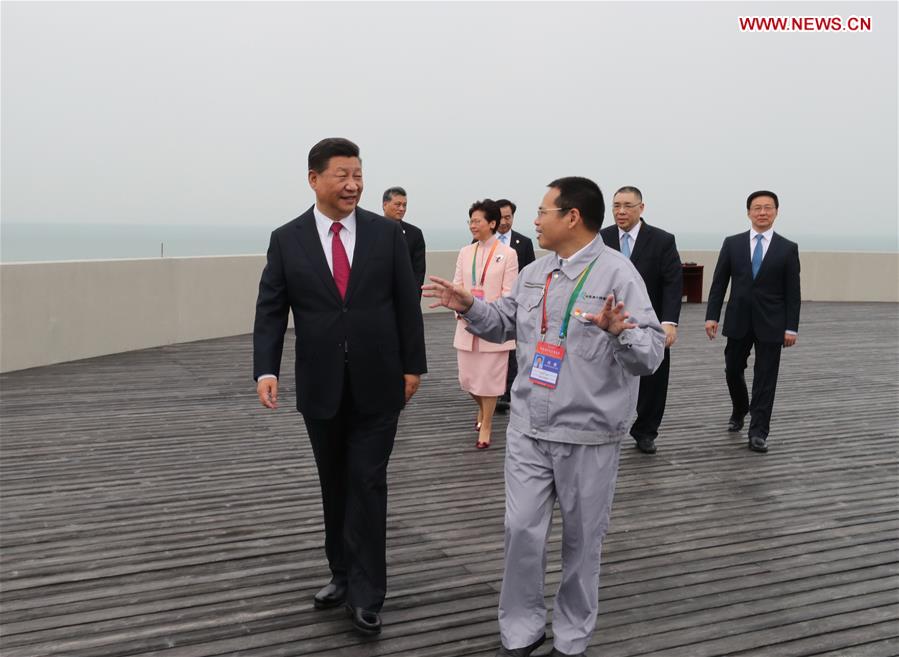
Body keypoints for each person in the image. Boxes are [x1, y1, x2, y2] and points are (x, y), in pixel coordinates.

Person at [424, 177, 664, 657]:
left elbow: (651, 353)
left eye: (542, 211)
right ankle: (521, 629)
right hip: (529, 429)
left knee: (581, 543)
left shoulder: (618, 274)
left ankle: (572, 639)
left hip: (589, 434)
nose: (534, 220)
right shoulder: (536, 271)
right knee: (521, 532)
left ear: (571, 216)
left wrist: (622, 334)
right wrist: (470, 305)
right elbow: (503, 323)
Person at [253, 138, 427, 636]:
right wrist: (266, 369)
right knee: (334, 483)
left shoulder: (385, 234)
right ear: (314, 179)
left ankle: (369, 592)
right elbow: (271, 307)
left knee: (367, 482)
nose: (353, 185)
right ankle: (342, 573)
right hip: (320, 384)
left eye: (358, 174)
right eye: (341, 175)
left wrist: (414, 366)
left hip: (380, 381)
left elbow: (403, 302)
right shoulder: (287, 239)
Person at [705, 190, 800, 454]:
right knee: (732, 369)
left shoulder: (787, 248)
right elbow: (719, 283)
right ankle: (740, 407)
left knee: (765, 378)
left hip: (772, 323)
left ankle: (758, 432)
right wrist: (712, 315)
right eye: (757, 208)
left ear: (776, 212)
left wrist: (791, 327)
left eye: (768, 208)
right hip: (738, 319)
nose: (762, 212)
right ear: (748, 212)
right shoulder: (732, 243)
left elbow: (794, 293)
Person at [600, 186, 682, 454]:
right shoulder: (601, 238)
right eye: (616, 206)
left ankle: (646, 431)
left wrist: (669, 321)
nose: (620, 212)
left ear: (641, 208)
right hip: (610, 322)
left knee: (654, 379)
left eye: (627, 206)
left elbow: (672, 284)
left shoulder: (662, 240)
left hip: (650, 321)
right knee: (607, 373)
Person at [454, 199, 518, 448]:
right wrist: (460, 310)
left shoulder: (508, 254)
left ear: (492, 223)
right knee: (468, 379)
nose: (473, 225)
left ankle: (487, 425)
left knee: (490, 381)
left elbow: (508, 293)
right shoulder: (465, 252)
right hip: (467, 323)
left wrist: (490, 316)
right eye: (470, 220)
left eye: (477, 220)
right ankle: (481, 410)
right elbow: (458, 285)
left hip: (494, 327)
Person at [494, 199, 536, 412]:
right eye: (500, 217)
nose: (504, 222)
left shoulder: (524, 242)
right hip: (492, 303)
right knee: (494, 347)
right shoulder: (483, 240)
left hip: (517, 302)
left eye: (508, 217)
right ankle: (492, 388)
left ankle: (507, 392)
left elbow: (530, 274)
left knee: (512, 349)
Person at [383, 186, 427, 296]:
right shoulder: (371, 230)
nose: (402, 209)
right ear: (385, 205)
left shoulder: (415, 234)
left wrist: (413, 301)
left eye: (404, 205)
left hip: (404, 297)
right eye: (397, 204)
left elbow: (418, 273)